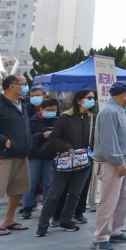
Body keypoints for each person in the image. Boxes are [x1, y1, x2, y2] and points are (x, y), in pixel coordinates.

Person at [35, 88, 96, 237]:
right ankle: (43, 225)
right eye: (89, 98)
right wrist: (67, 147)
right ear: (79, 100)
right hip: (66, 160)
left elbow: (95, 138)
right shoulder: (65, 117)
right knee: (55, 193)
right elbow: (54, 138)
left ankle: (67, 220)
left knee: (76, 193)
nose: (91, 100)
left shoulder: (92, 117)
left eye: (93, 98)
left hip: (84, 161)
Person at [0, 75, 34, 236]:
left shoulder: (22, 104)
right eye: (23, 84)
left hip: (20, 154)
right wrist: (4, 140)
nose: (26, 87)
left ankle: (9, 220)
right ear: (12, 86)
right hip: (0, 156)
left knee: (18, 189)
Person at [91, 80, 126, 250]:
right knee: (109, 200)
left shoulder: (119, 109)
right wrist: (119, 161)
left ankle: (115, 231)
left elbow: (123, 136)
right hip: (112, 163)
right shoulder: (109, 111)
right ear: (123, 94)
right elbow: (109, 141)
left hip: (122, 161)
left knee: (123, 199)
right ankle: (101, 236)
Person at [21, 96, 59, 219]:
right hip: (34, 155)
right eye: (49, 110)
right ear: (41, 109)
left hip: (50, 155)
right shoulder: (32, 121)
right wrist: (42, 135)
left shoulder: (58, 120)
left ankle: (47, 208)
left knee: (49, 182)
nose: (52, 112)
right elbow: (27, 138)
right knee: (31, 182)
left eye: (54, 109)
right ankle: (27, 207)